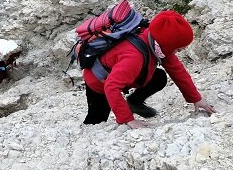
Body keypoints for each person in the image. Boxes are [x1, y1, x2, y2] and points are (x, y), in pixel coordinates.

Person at [83, 10, 216, 129]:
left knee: (159, 77)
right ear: (167, 44)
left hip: (122, 73)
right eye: (178, 49)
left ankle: (134, 102)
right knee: (96, 122)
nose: (178, 52)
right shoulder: (134, 57)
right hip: (98, 82)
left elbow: (177, 71)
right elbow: (111, 86)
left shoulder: (156, 40)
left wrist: (196, 98)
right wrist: (128, 120)